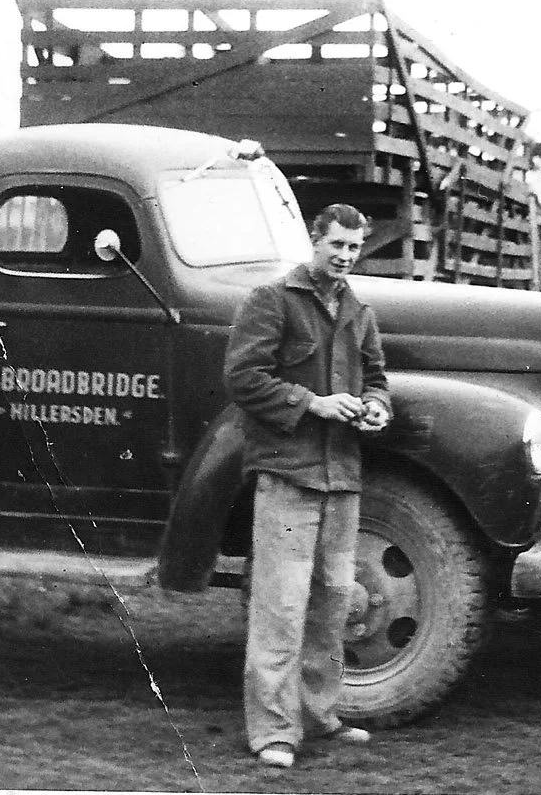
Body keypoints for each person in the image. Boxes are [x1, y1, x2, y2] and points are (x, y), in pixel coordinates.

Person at [224, 203, 393, 768]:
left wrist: (376, 408)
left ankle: (319, 717)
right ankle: (273, 731)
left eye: (353, 247)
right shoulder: (272, 300)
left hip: (342, 478)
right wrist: (313, 402)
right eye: (335, 245)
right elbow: (243, 377)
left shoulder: (359, 310)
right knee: (281, 607)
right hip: (289, 477)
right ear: (314, 242)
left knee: (331, 605)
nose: (344, 256)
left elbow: (377, 378)